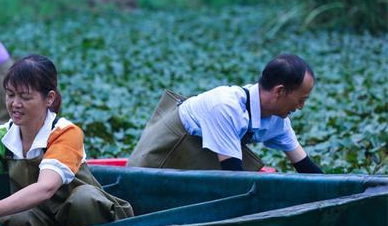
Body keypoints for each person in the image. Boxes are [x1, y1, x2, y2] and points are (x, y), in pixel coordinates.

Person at [0, 54, 134, 226]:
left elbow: (46, 188)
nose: (15, 103)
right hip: (43, 222)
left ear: (49, 98)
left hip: (94, 223)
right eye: (10, 94)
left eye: (25, 97)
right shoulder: (2, 136)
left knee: (84, 199)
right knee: (17, 215)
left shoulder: (65, 132)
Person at [127, 54, 323, 173]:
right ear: (280, 91)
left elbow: (304, 165)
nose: (301, 106)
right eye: (301, 99)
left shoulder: (278, 120)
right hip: (158, 163)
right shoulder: (225, 107)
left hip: (190, 170)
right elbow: (234, 179)